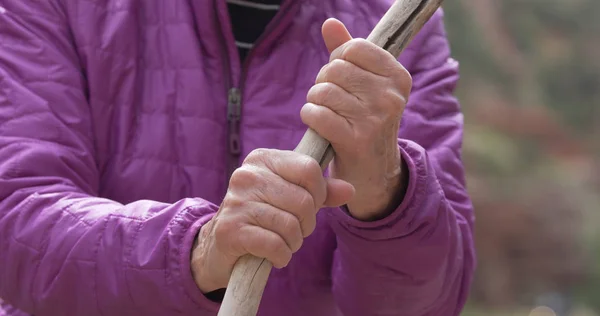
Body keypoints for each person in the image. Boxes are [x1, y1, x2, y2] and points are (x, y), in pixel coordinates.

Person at [0, 0, 476, 315]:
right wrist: (199, 251)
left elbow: (432, 301)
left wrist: (384, 187)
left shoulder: (399, 20)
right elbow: (16, 216)